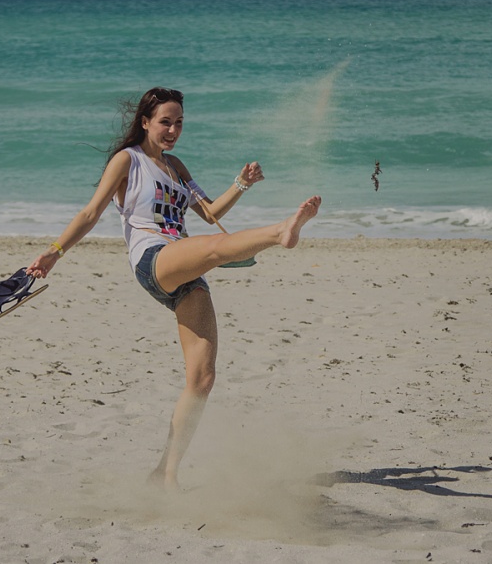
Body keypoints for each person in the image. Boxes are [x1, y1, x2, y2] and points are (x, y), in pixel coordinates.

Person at [26, 87, 321, 489]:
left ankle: (165, 474)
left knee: (202, 379)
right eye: (165, 122)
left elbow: (210, 212)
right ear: (145, 122)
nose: (173, 130)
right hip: (153, 258)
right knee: (214, 249)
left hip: (184, 268)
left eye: (179, 122)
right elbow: (91, 212)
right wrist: (54, 253)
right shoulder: (127, 160)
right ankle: (280, 231)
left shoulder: (176, 166)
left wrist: (242, 183)